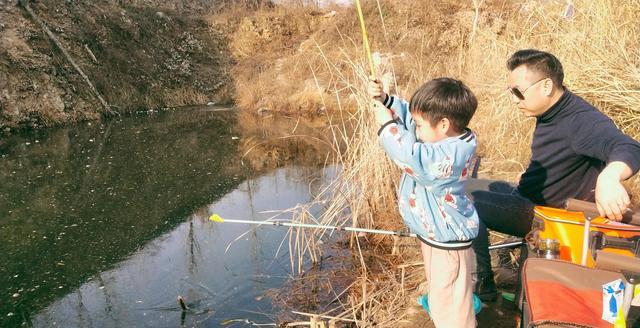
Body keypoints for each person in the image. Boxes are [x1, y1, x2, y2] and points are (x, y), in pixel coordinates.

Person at [471, 49, 640, 302]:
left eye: (518, 92)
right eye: (511, 93)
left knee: (462, 203)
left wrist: (609, 177)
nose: (515, 100)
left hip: (543, 214)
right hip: (527, 195)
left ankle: (480, 284)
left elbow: (628, 147)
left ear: (547, 86)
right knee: (463, 186)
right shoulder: (552, 111)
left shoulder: (580, 121)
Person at [369, 77, 480, 327]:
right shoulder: (443, 136)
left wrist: (387, 125)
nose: (414, 129)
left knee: (451, 309)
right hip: (435, 236)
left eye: (419, 126)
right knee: (442, 295)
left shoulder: (449, 155)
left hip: (448, 243)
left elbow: (412, 156)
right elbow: (412, 116)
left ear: (443, 125)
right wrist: (386, 101)